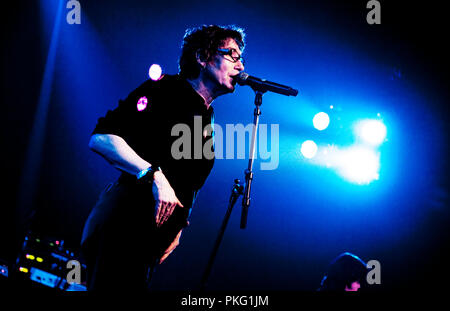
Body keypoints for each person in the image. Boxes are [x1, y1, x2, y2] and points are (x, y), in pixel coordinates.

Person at [80, 25, 245, 291]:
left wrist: (178, 228)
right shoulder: (166, 89)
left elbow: (187, 182)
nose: (240, 65)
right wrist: (153, 175)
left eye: (242, 58)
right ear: (202, 58)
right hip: (123, 223)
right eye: (232, 55)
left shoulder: (207, 119)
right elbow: (101, 138)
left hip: (150, 240)